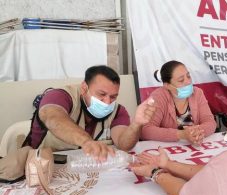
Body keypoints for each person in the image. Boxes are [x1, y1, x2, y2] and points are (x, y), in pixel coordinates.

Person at [23, 65, 156, 161]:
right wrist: (86, 142)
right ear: (84, 88)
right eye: (102, 94)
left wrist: (136, 124)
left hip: (83, 168)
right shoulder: (59, 96)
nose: (107, 102)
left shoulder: (118, 111)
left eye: (113, 96)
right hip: (39, 165)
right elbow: (53, 118)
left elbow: (124, 144)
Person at [140, 60, 216, 144]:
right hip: (167, 151)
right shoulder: (158, 97)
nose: (188, 82)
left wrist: (197, 132)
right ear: (167, 85)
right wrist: (181, 134)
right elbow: (145, 130)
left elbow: (210, 122)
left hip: (194, 148)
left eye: (188, 76)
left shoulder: (197, 93)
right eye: (181, 80)